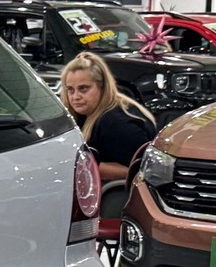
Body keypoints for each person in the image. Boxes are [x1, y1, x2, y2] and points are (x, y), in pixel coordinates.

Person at [60, 51, 156, 181]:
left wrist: (82, 165)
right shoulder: (87, 113)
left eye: (83, 88)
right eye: (70, 90)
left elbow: (138, 171)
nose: (75, 97)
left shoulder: (118, 123)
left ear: (103, 87)